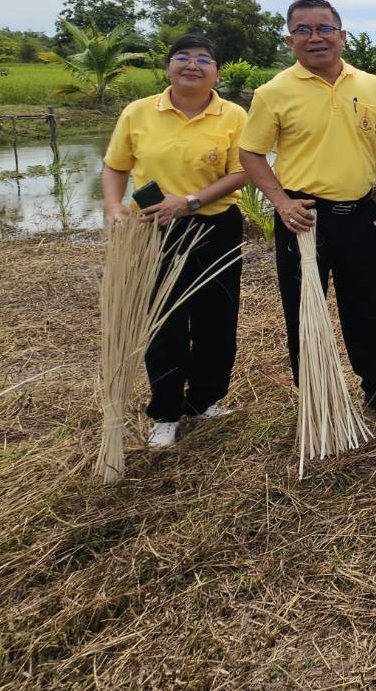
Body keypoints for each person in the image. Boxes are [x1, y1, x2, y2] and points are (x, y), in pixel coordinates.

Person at [238, 0, 376, 419]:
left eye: (324, 28)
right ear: (289, 40)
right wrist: (280, 201)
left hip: (360, 214)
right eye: (303, 30)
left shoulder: (371, 85)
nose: (315, 38)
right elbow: (251, 154)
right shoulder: (272, 92)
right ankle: (316, 393)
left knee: (368, 306)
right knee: (304, 308)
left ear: (342, 36)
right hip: (305, 219)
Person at [101, 34, 248, 449]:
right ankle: (164, 411)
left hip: (214, 227)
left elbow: (242, 172)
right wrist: (114, 209)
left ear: (217, 73)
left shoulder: (233, 115)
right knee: (163, 321)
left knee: (217, 320)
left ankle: (204, 400)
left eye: (204, 59)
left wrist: (189, 201)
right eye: (182, 57)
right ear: (168, 67)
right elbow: (115, 167)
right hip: (153, 231)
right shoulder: (139, 112)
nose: (192, 65)